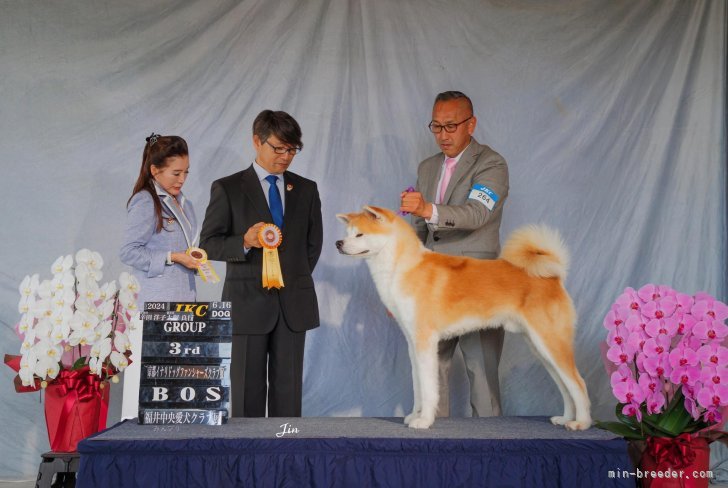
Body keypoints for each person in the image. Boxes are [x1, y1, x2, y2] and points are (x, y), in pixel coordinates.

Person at [199, 110, 323, 417]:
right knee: (246, 393)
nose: (285, 157)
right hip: (246, 304)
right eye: (278, 148)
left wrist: (290, 277)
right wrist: (244, 241)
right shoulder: (227, 188)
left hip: (294, 304)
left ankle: (287, 453)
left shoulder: (306, 189)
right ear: (257, 141)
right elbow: (209, 243)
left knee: (288, 394)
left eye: (292, 150)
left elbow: (312, 245)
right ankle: (246, 458)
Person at [400, 91, 509, 417]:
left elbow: (477, 214)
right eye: (436, 126)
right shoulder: (427, 167)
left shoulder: (492, 163)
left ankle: (492, 454)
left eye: (451, 126)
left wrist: (428, 208)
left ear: (471, 124)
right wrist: (402, 284)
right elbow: (419, 229)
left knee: (481, 373)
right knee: (430, 370)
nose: (443, 135)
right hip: (432, 285)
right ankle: (436, 452)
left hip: (478, 283)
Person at [119, 133, 200, 420]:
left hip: (185, 303)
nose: (182, 179)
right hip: (155, 306)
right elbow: (129, 251)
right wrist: (172, 257)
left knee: (178, 383)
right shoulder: (145, 201)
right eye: (176, 173)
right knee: (155, 383)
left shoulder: (184, 203)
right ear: (155, 170)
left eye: (186, 172)